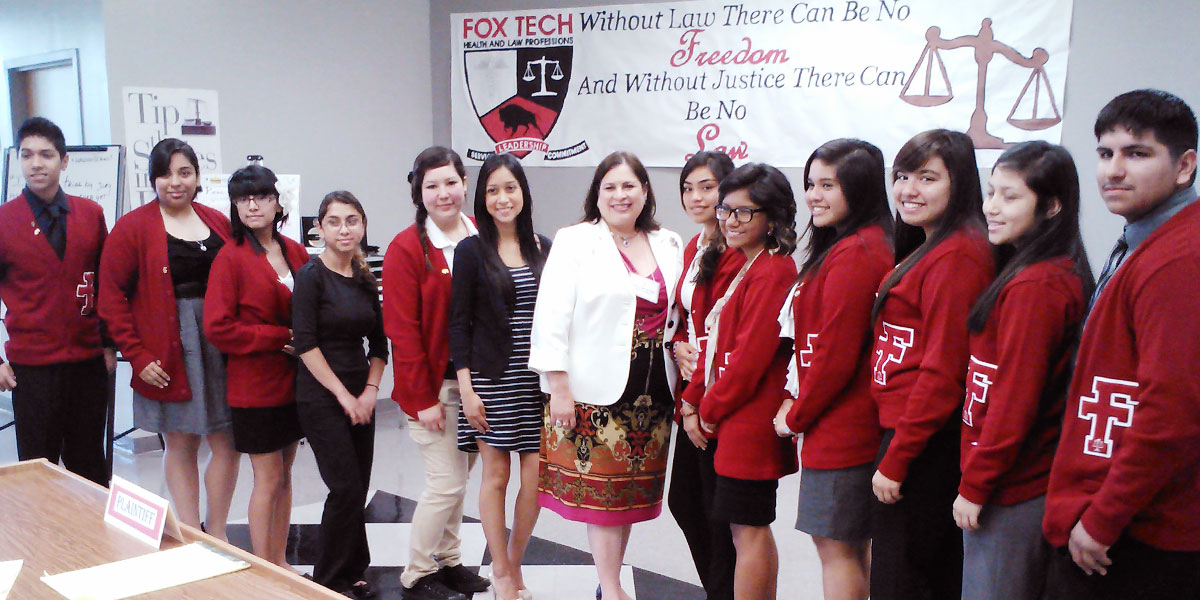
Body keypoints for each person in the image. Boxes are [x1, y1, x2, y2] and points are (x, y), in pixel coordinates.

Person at [1043, 89, 1200, 600]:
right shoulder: (1148, 238)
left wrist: (1105, 516)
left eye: (1137, 154)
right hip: (1119, 505)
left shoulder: (1179, 258)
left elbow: (1171, 409)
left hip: (1143, 527)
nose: (1114, 170)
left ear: (1184, 166)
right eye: (1105, 153)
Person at [530, 151, 683, 600]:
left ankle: (608, 581)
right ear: (596, 195)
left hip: (654, 390)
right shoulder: (575, 240)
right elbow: (552, 314)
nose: (620, 195)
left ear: (645, 192)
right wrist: (557, 384)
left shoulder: (669, 242)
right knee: (602, 501)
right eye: (610, 187)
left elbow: (680, 311)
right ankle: (614, 589)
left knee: (628, 497)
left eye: (629, 186)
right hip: (594, 390)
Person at [950, 141, 1091, 600]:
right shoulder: (1023, 271)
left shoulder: (1039, 286)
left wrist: (976, 484)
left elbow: (1015, 402)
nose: (991, 207)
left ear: (1051, 206)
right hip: (1005, 481)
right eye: (991, 193)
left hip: (1015, 488)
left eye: (1010, 197)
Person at [867, 129, 994, 600]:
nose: (908, 190)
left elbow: (944, 370)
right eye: (902, 176)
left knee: (905, 580)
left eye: (927, 178)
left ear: (958, 183)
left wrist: (898, 459)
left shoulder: (959, 253)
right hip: (907, 434)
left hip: (921, 443)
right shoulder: (932, 243)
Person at [98, 138, 238, 539]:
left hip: (220, 346)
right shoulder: (133, 227)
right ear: (152, 179)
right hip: (167, 349)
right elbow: (111, 296)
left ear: (197, 177)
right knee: (181, 444)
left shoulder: (217, 221)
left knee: (228, 441)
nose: (175, 182)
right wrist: (138, 355)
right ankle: (192, 531)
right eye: (165, 173)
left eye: (185, 172)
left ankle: (220, 531)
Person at [773, 139, 893, 600]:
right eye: (810, 184)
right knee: (845, 546)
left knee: (836, 547)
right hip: (842, 423)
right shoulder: (853, 244)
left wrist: (796, 415)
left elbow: (835, 355)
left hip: (844, 426)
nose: (814, 195)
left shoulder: (858, 252)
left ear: (859, 189)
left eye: (828, 185)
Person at [681, 162, 799, 600]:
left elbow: (748, 359)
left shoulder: (775, 269)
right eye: (726, 209)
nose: (730, 220)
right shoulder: (752, 265)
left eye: (745, 212)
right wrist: (696, 402)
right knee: (741, 531)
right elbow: (716, 346)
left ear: (772, 217)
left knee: (749, 532)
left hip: (748, 421)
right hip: (734, 418)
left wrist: (707, 411)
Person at [383, 146, 489, 600]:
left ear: (465, 183)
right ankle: (417, 572)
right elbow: (401, 332)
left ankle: (449, 561)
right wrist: (424, 398)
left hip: (478, 386)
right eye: (432, 185)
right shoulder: (406, 248)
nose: (443, 193)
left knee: (458, 483)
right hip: (434, 389)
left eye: (450, 182)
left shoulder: (481, 235)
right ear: (418, 192)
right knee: (445, 483)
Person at [448, 153, 550, 600]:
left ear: (523, 192)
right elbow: (459, 323)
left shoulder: (545, 248)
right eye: (492, 190)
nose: (502, 198)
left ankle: (514, 560)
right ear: (482, 198)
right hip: (491, 378)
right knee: (495, 476)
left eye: (510, 188)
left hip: (538, 382)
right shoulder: (471, 251)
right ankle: (503, 573)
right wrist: (466, 390)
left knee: (536, 478)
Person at [203, 165, 309, 567]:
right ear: (234, 205)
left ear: (277, 202)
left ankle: (280, 560)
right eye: (243, 198)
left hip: (295, 383)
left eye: (262, 196)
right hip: (255, 387)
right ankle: (264, 569)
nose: (252, 205)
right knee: (267, 479)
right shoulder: (230, 258)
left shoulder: (295, 250)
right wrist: (277, 336)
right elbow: (218, 327)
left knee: (285, 477)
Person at [0, 116, 115, 486]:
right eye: (27, 154)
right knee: (38, 472)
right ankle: (43, 545)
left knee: (90, 468)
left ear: (64, 161)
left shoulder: (90, 214)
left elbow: (108, 286)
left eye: (46, 155)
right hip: (32, 368)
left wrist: (110, 345)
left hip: (87, 364)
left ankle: (94, 545)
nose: (36, 163)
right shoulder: (4, 222)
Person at [292, 191, 387, 598]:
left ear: (363, 226)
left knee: (358, 486)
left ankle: (352, 565)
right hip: (321, 396)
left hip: (360, 394)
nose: (344, 229)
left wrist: (368, 392)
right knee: (344, 486)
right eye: (334, 221)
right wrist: (344, 396)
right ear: (320, 229)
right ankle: (328, 578)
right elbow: (306, 345)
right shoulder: (309, 278)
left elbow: (380, 346)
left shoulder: (365, 279)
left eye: (352, 220)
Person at [667, 150, 741, 600]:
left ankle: (726, 593)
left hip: (717, 397)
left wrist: (695, 403)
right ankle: (720, 590)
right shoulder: (694, 245)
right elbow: (688, 320)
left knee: (718, 514)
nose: (696, 197)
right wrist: (678, 351)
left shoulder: (736, 248)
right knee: (687, 503)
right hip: (691, 391)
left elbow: (725, 332)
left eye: (707, 187)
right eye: (688, 188)